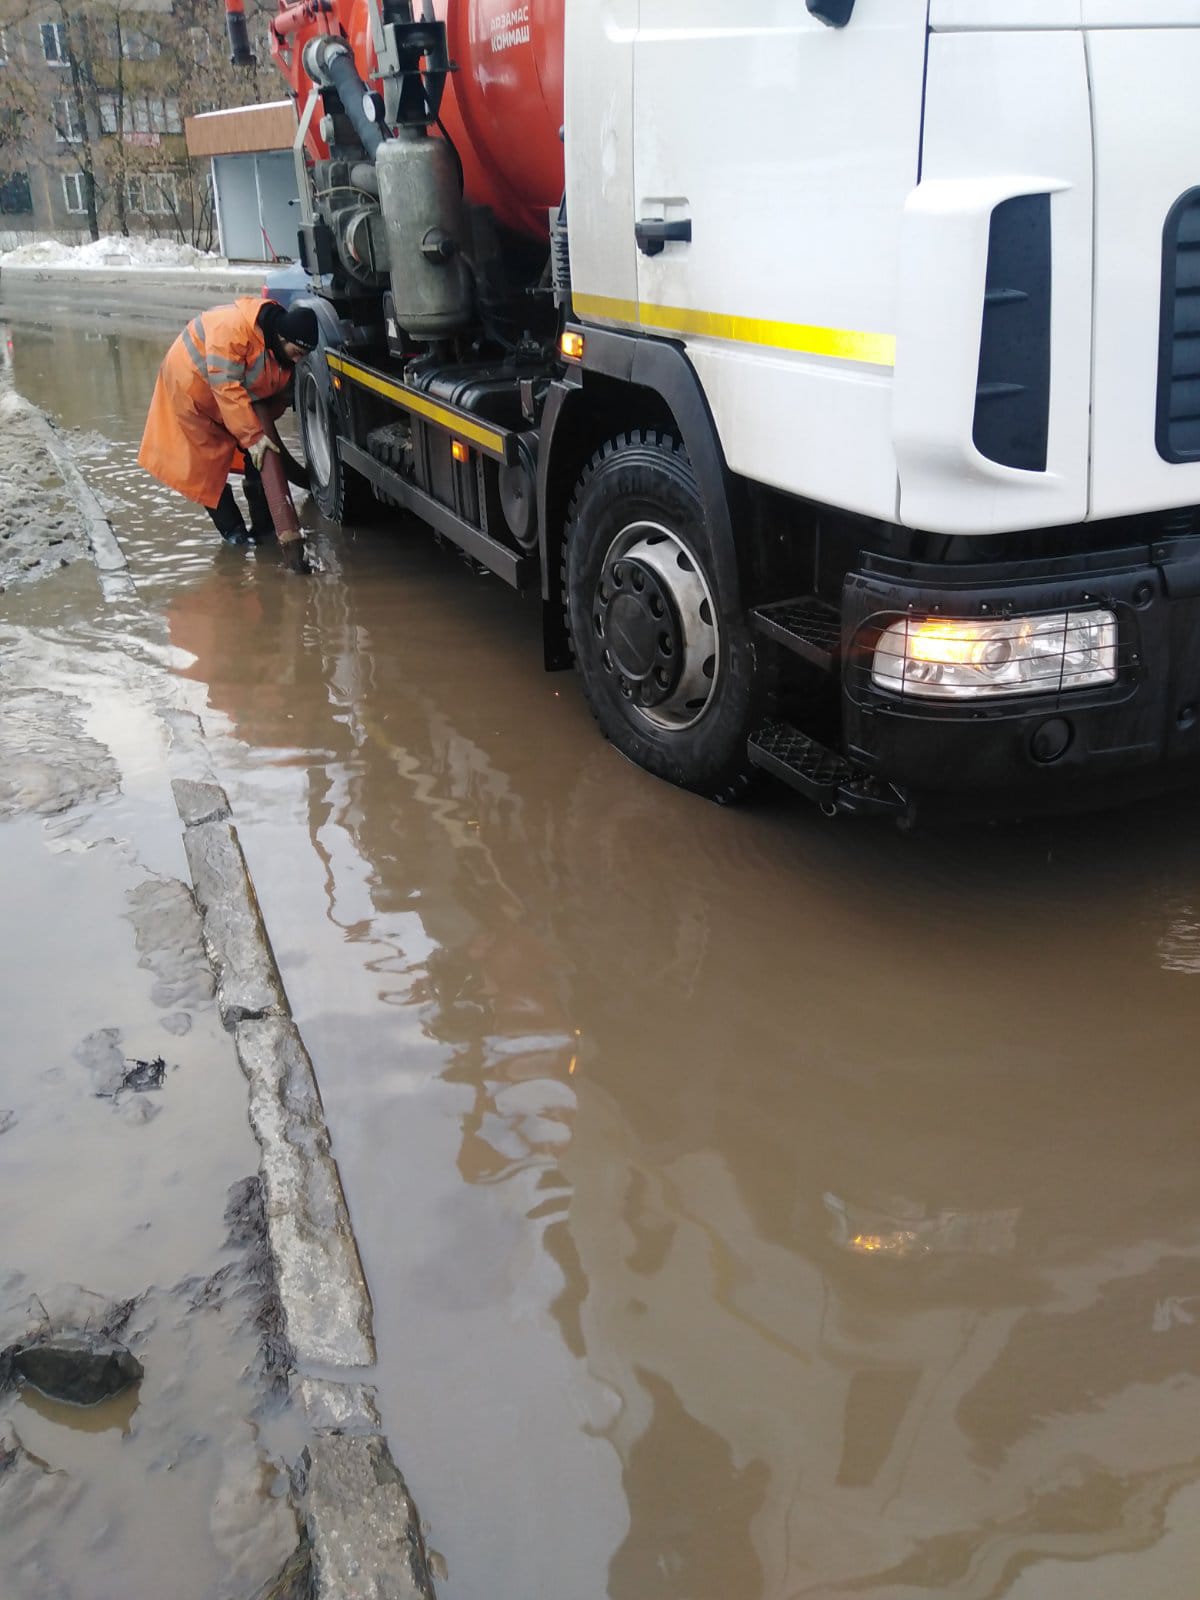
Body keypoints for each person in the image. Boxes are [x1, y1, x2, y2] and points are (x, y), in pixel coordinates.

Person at [138, 298, 317, 569]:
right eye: (296, 352)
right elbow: (226, 385)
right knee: (207, 472)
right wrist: (253, 437)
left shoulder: (279, 350)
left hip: (228, 403)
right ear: (281, 338)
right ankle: (236, 538)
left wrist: (257, 437)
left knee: (260, 454)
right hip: (189, 392)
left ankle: (264, 530)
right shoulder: (233, 330)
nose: (298, 359)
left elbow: (273, 397)